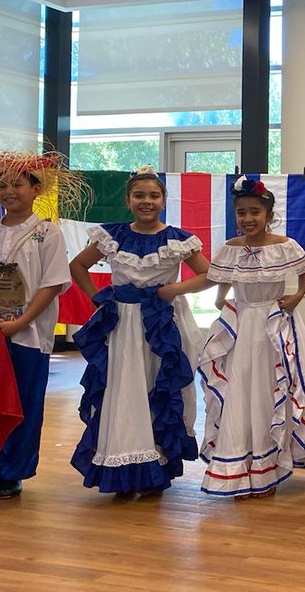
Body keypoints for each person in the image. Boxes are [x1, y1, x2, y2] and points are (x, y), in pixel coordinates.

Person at [160, 176, 305, 499]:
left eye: (255, 212)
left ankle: (267, 466)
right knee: (239, 391)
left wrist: (296, 298)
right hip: (241, 323)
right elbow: (223, 275)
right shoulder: (230, 249)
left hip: (273, 323)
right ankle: (239, 464)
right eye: (242, 213)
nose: (248, 219)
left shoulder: (285, 246)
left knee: (267, 390)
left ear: (269, 215)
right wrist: (222, 296)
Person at [68, 167, 206, 496]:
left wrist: (174, 290)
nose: (147, 201)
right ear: (128, 200)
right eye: (139, 195)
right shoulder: (112, 235)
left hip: (161, 324)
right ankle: (124, 464)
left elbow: (209, 274)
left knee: (158, 386)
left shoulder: (178, 239)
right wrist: (98, 300)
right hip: (123, 324)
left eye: (153, 195)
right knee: (124, 389)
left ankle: (156, 462)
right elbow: (78, 266)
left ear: (163, 200)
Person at [0, 155, 72, 499]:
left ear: (36, 190)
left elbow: (51, 284)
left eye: (17, 184)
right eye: (2, 185)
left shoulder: (47, 233)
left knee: (24, 401)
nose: (8, 191)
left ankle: (12, 473)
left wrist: (21, 321)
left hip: (29, 334)